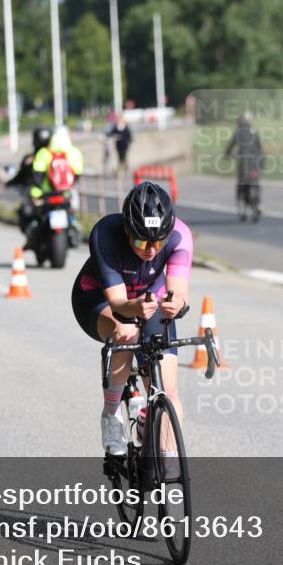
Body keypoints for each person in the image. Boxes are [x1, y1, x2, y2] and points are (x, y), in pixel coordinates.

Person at [71, 182, 193, 456]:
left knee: (167, 388)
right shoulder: (105, 233)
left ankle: (168, 465)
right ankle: (111, 414)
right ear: (126, 230)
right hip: (98, 299)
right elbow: (119, 304)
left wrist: (177, 303)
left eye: (157, 241)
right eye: (140, 241)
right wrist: (135, 307)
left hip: (149, 299)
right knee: (127, 332)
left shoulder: (180, 235)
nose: (150, 250)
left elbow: (180, 292)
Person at [29, 125, 85, 232]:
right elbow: (78, 173)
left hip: (47, 193)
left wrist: (37, 192)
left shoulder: (44, 153)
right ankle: (75, 224)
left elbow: (37, 175)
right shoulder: (74, 152)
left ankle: (34, 226)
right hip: (66, 192)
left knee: (36, 213)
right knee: (73, 210)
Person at [6, 126, 52, 234]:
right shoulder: (56, 156)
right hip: (58, 194)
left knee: (25, 210)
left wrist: (11, 183)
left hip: (37, 195)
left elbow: (21, 176)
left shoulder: (30, 159)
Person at [224, 112, 265, 220]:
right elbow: (260, 148)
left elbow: (230, 147)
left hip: (244, 164)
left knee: (241, 185)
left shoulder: (238, 132)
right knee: (256, 182)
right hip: (256, 163)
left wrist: (228, 155)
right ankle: (259, 204)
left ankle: (242, 206)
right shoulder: (254, 131)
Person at [106, 113, 132, 183]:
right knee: (120, 158)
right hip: (118, 146)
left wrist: (130, 142)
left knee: (123, 158)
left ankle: (123, 171)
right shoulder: (116, 127)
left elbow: (129, 136)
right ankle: (120, 172)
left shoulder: (125, 128)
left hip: (124, 146)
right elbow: (110, 133)